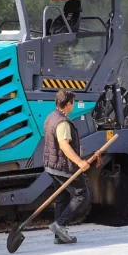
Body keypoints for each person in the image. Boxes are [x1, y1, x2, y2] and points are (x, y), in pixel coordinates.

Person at [43, 90, 93, 244]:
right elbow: (64, 145)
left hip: (51, 165)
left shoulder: (51, 117)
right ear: (69, 103)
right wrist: (79, 162)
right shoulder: (62, 122)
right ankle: (60, 225)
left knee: (62, 197)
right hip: (63, 167)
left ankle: (59, 236)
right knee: (82, 194)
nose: (74, 105)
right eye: (74, 102)